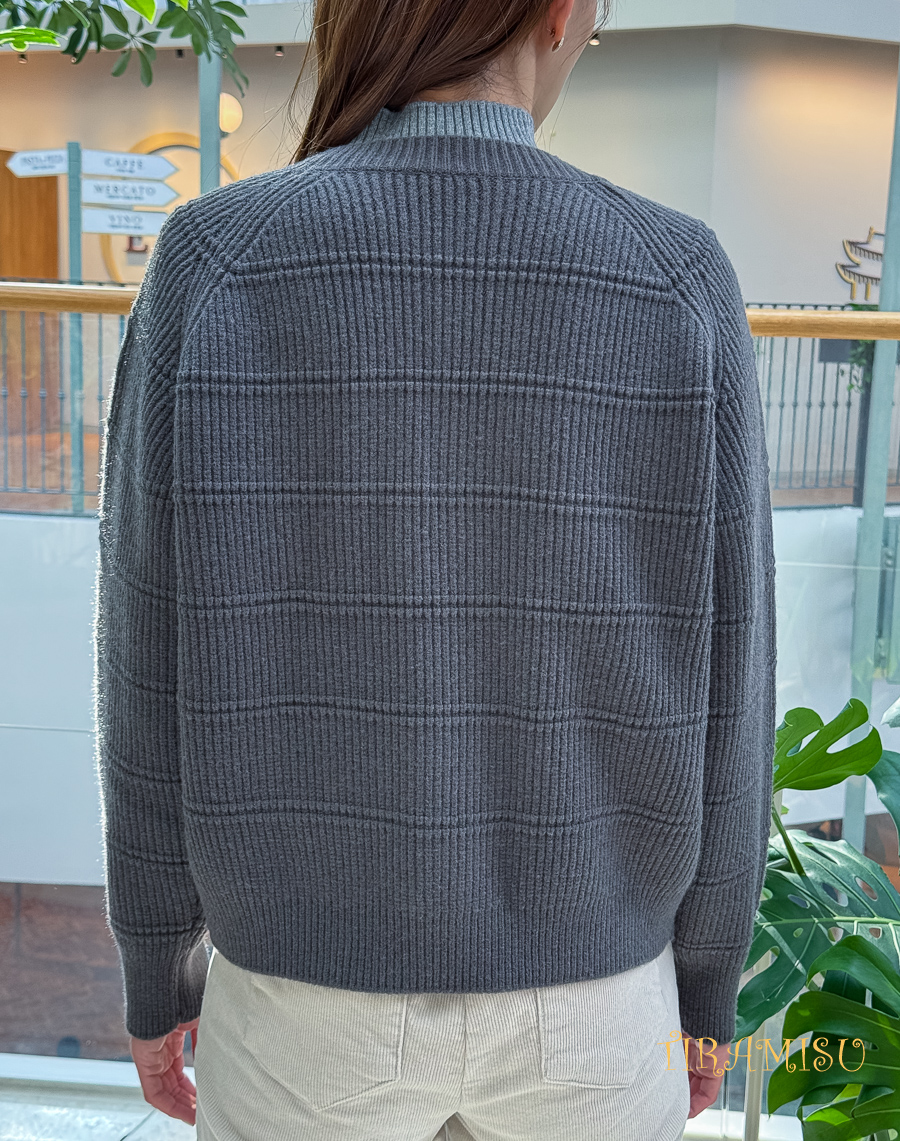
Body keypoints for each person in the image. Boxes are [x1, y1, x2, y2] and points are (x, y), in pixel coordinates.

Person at [92, 0, 777, 1137]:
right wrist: (705, 989)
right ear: (559, 16)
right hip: (596, 1009)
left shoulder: (216, 261)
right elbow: (733, 686)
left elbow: (146, 665)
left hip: (303, 1004)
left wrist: (157, 965)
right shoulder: (675, 274)